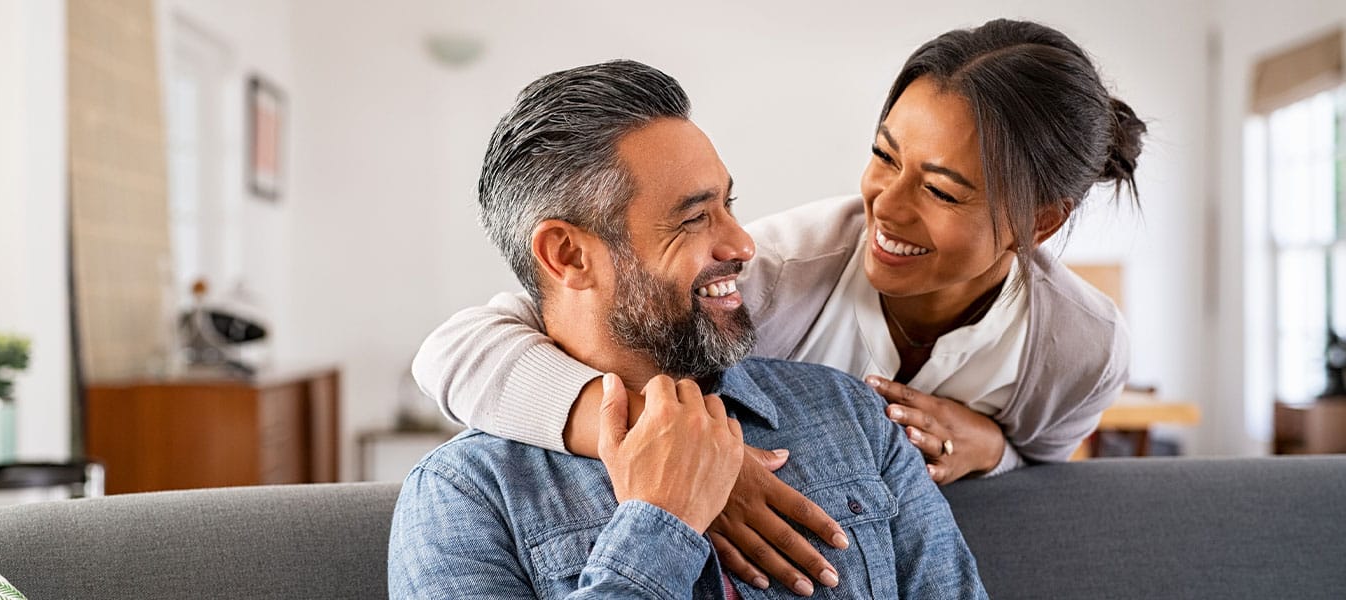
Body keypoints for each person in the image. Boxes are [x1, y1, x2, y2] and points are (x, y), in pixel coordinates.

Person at [414, 18, 1143, 592]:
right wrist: (672, 457)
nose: (885, 207)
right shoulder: (776, 272)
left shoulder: (1075, 348)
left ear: (1038, 223)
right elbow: (466, 346)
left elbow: (1039, 467)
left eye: (942, 190)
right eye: (883, 156)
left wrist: (993, 448)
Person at [389, 59, 986, 599]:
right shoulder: (465, 495)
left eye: (729, 205)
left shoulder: (851, 415)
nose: (743, 244)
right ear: (568, 255)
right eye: (695, 218)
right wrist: (660, 522)